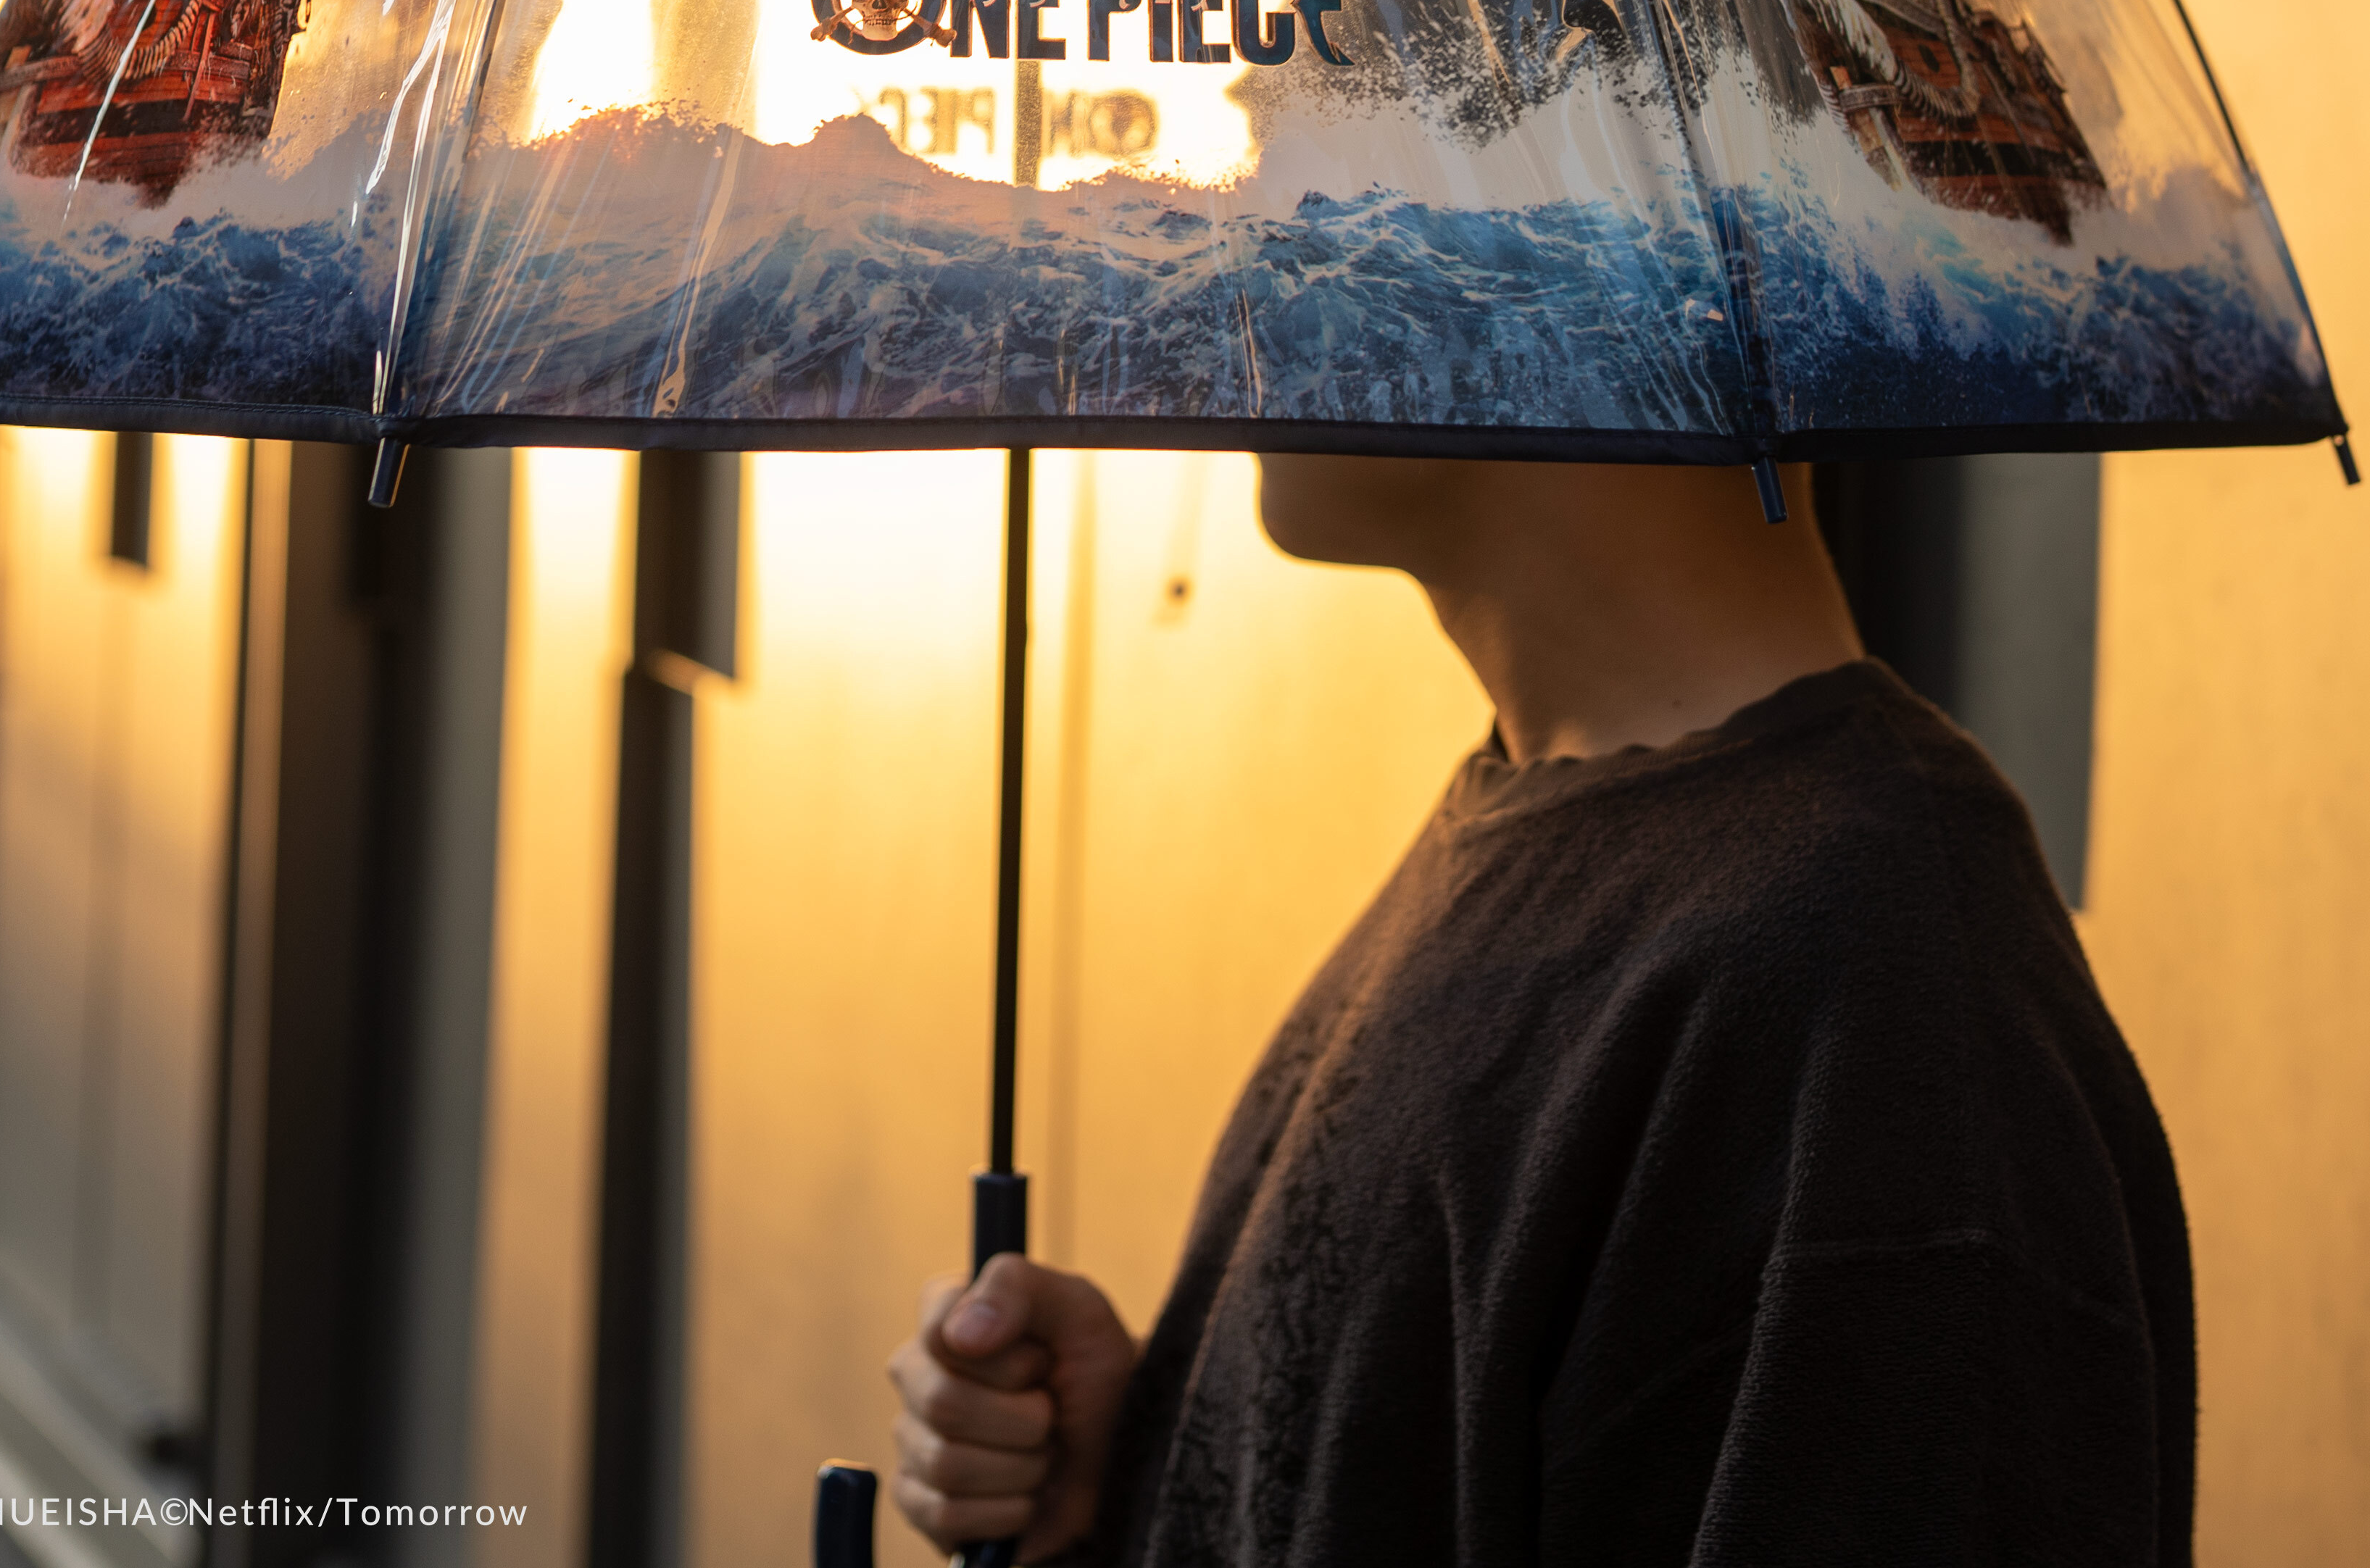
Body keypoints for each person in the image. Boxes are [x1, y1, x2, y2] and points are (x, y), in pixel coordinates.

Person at [885, 456, 2192, 1566]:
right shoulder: (1552, 812)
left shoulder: (1874, 989)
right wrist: (1139, 1467)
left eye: (1302, 155)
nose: (1246, 223)